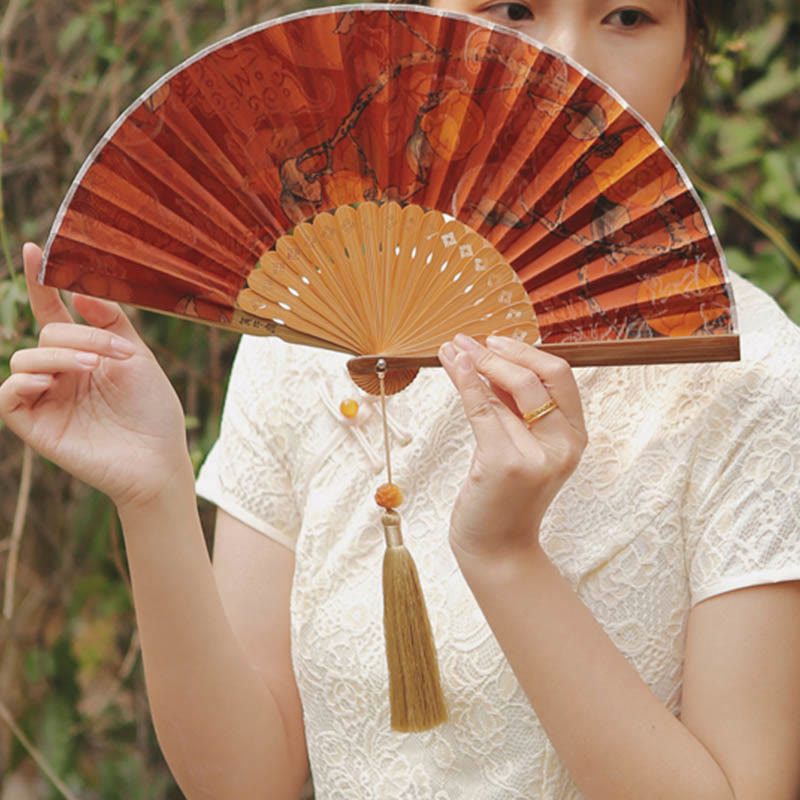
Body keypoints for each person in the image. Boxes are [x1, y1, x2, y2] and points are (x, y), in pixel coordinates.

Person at [2, 1, 800, 798]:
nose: (565, 63)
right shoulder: (305, 335)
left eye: (628, 16)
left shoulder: (754, 381)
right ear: (412, 31)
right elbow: (245, 781)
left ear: (689, 54)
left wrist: (507, 560)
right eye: (512, 10)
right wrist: (155, 494)